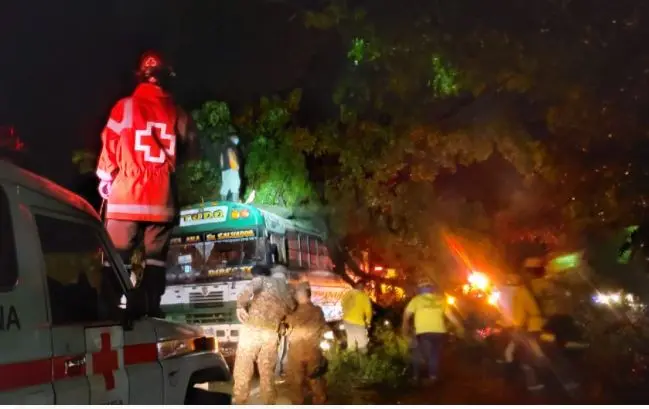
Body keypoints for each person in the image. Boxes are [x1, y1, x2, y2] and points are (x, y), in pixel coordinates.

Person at [96, 50, 198, 318]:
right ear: (166, 77)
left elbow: (110, 143)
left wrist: (106, 177)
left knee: (116, 256)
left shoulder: (124, 107)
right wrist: (167, 171)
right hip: (161, 198)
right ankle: (150, 307)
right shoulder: (178, 113)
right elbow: (191, 150)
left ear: (141, 77)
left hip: (126, 194)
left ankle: (110, 306)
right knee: (155, 258)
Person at [232, 264, 296, 404]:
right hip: (271, 335)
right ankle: (269, 402)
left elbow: (245, 293)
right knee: (267, 371)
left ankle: (240, 401)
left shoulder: (263, 280)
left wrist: (240, 306)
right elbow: (291, 312)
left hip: (252, 330)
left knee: (243, 366)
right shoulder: (289, 290)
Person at [401, 280, 462, 383]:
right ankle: (432, 376)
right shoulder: (441, 300)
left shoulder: (416, 300)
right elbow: (451, 316)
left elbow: (406, 315)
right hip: (439, 332)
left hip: (424, 332)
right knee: (434, 354)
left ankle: (416, 377)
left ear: (420, 289)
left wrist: (404, 329)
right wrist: (460, 327)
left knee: (418, 353)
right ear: (432, 289)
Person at [284, 282, 328, 404]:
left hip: (296, 351)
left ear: (300, 295)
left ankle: (298, 401)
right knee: (315, 377)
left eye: (296, 294)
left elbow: (285, 330)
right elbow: (324, 328)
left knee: (296, 379)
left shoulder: (292, 314)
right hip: (313, 350)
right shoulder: (318, 311)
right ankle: (319, 399)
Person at [506, 259, 547, 391]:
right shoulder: (521, 292)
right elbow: (525, 311)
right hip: (528, 326)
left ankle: (529, 378)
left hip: (526, 326)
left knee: (520, 353)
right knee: (528, 354)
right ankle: (532, 379)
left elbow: (520, 311)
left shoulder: (518, 293)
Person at [340, 281, 373, 351]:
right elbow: (368, 311)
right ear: (362, 287)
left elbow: (342, 304)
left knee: (351, 339)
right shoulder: (364, 297)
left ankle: (350, 357)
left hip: (346, 321)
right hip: (358, 322)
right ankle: (363, 359)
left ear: (355, 286)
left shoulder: (347, 294)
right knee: (362, 343)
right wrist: (368, 322)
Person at [219, 129, 242, 202]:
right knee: (235, 185)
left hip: (224, 171)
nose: (237, 140)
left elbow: (221, 159)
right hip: (232, 169)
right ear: (232, 138)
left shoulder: (223, 147)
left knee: (225, 187)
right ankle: (236, 203)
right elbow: (230, 154)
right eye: (235, 138)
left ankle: (223, 203)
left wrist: (222, 169)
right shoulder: (231, 146)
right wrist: (235, 166)